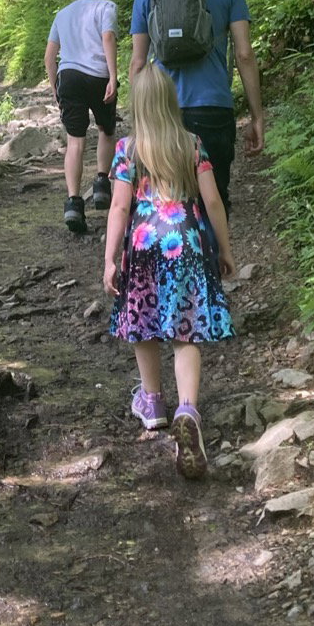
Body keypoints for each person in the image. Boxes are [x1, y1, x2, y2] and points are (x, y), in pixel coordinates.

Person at [103, 64, 236, 479]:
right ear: (171, 101)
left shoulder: (127, 148)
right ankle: (188, 409)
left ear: (138, 105)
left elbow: (119, 207)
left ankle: (153, 402)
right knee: (186, 327)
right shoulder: (191, 144)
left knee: (142, 321)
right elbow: (213, 202)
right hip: (187, 243)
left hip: (143, 244)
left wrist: (109, 257)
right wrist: (225, 249)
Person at [128, 0, 263, 212]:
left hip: (160, 111)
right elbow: (244, 55)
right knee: (214, 200)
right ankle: (216, 256)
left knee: (166, 203)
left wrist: (136, 122)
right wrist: (257, 116)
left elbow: (138, 63)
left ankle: (176, 255)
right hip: (213, 109)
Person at [44, 0, 119, 234]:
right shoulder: (105, 6)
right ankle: (101, 184)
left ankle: (74, 202)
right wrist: (113, 75)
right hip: (98, 75)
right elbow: (108, 37)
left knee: (75, 141)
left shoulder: (61, 16)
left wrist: (56, 86)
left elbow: (49, 56)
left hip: (70, 77)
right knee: (105, 129)